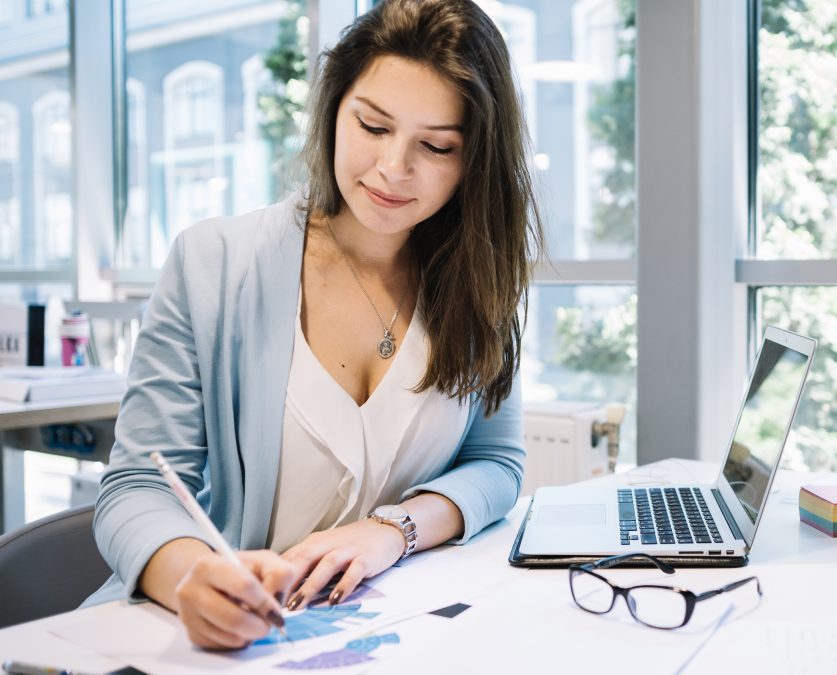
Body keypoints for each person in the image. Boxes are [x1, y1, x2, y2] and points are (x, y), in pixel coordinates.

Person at [86, 0, 542, 651]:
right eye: (373, 126)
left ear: (475, 160)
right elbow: (134, 491)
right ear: (335, 108)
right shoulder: (215, 261)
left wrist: (393, 529)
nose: (392, 168)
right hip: (215, 645)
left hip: (381, 637)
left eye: (436, 146)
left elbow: (496, 463)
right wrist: (192, 575)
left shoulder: (478, 280)